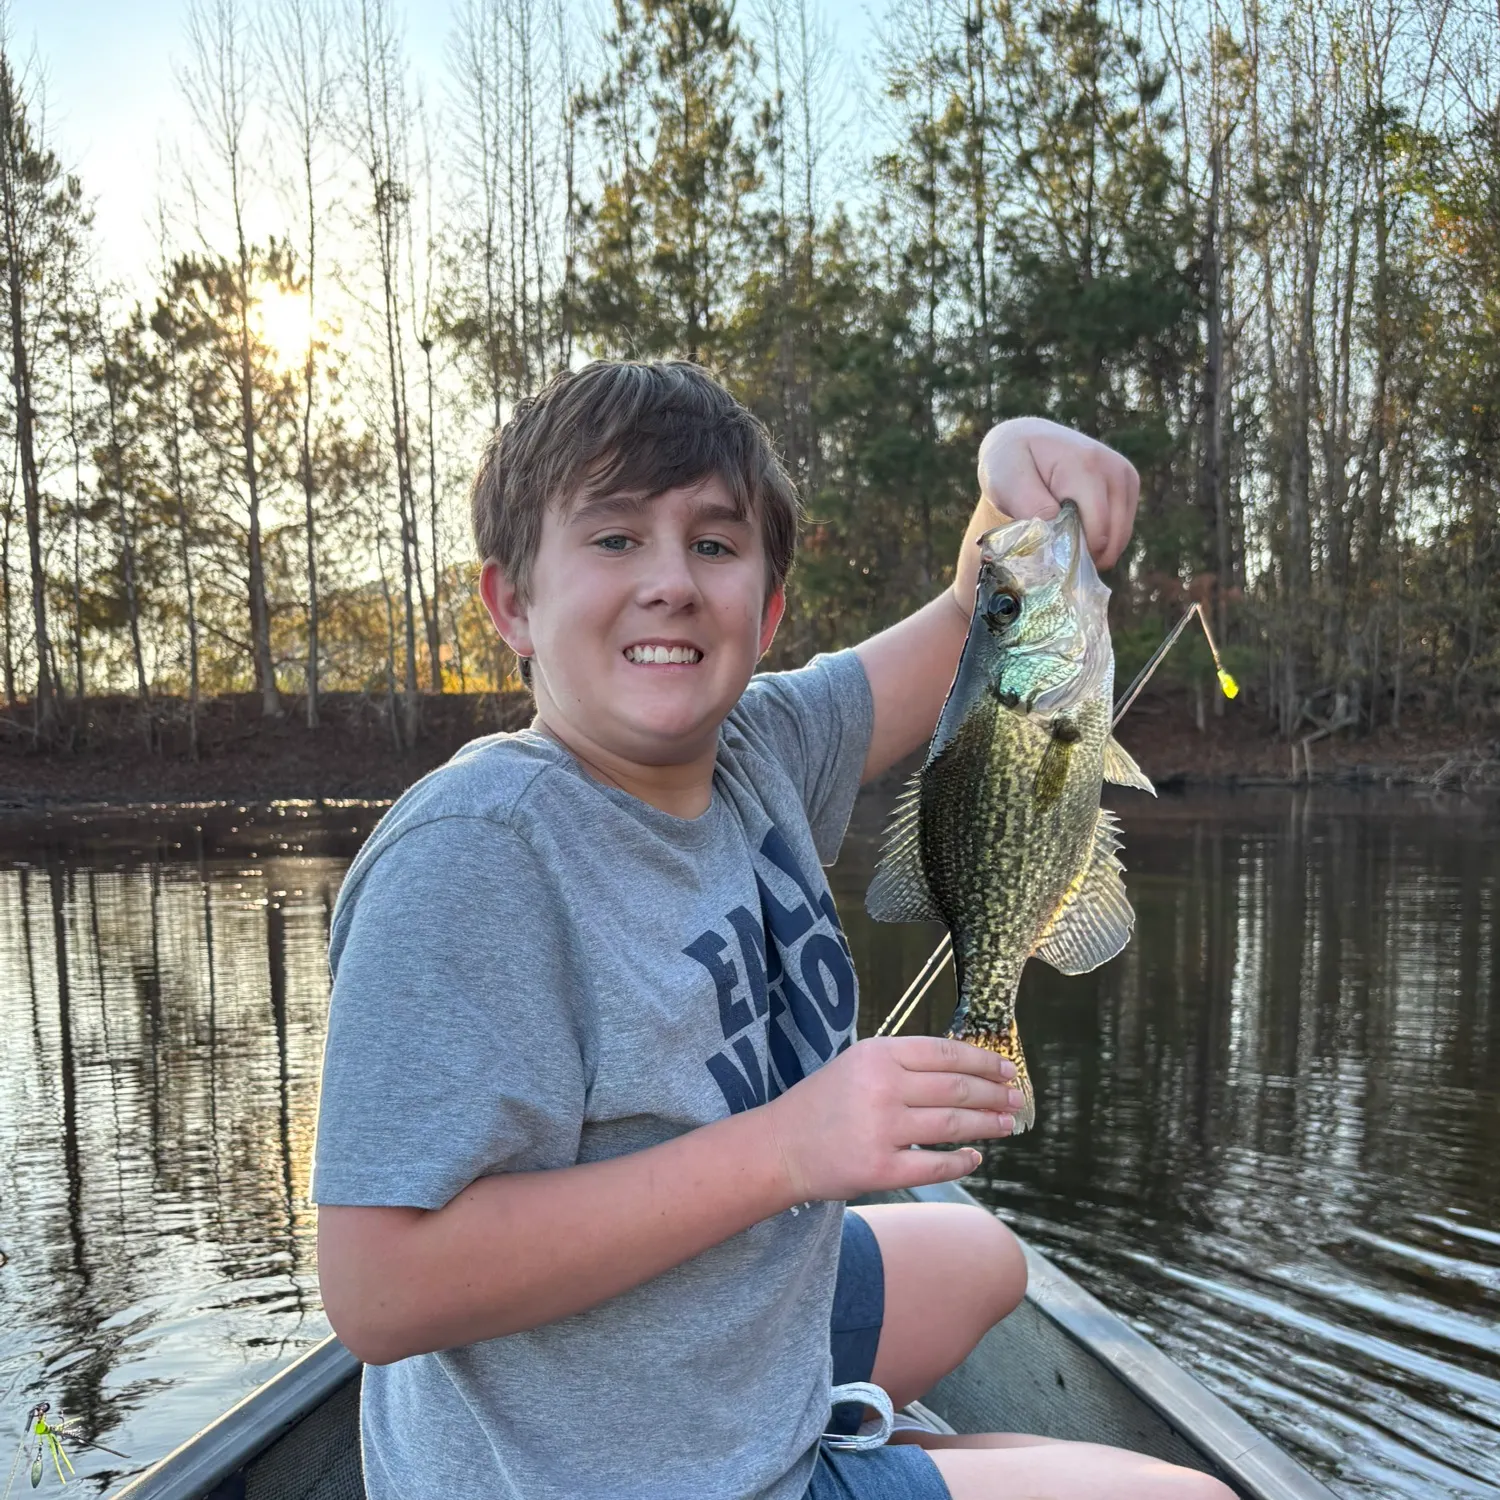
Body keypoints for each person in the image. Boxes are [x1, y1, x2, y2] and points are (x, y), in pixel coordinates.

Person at [312, 360, 1234, 1500]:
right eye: (613, 540)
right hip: (602, 1475)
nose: (671, 584)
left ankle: (865, 1442)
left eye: (714, 543)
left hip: (696, 1348)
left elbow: (976, 626)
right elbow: (379, 1292)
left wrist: (1012, 476)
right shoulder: (474, 855)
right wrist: (792, 1148)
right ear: (511, 605)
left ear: (770, 604)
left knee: (987, 1260)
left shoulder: (755, 749)